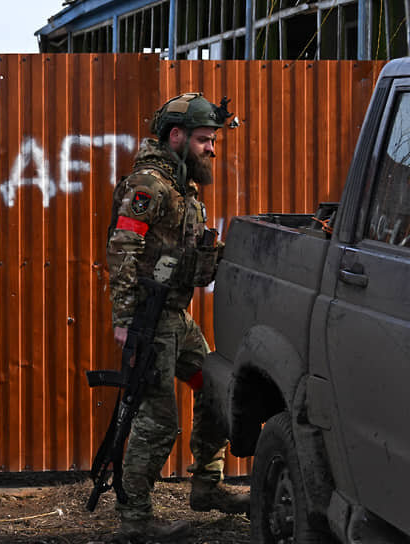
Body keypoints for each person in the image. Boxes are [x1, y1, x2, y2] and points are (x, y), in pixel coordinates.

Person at [105, 92, 249, 541]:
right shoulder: (150, 184)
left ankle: (207, 485)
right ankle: (135, 522)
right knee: (158, 420)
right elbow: (123, 247)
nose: (212, 148)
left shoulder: (181, 184)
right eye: (205, 140)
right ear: (176, 136)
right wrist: (125, 318)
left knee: (216, 387)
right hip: (151, 320)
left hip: (176, 317)